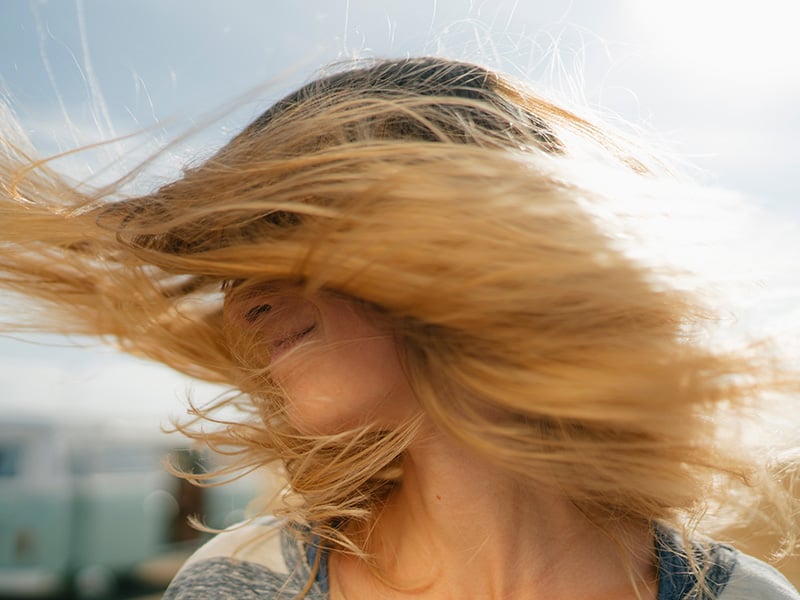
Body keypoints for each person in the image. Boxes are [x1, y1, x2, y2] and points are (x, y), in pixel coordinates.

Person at [1, 57, 798, 599]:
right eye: (234, 269)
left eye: (286, 234)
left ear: (461, 245)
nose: (242, 302)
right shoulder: (244, 581)